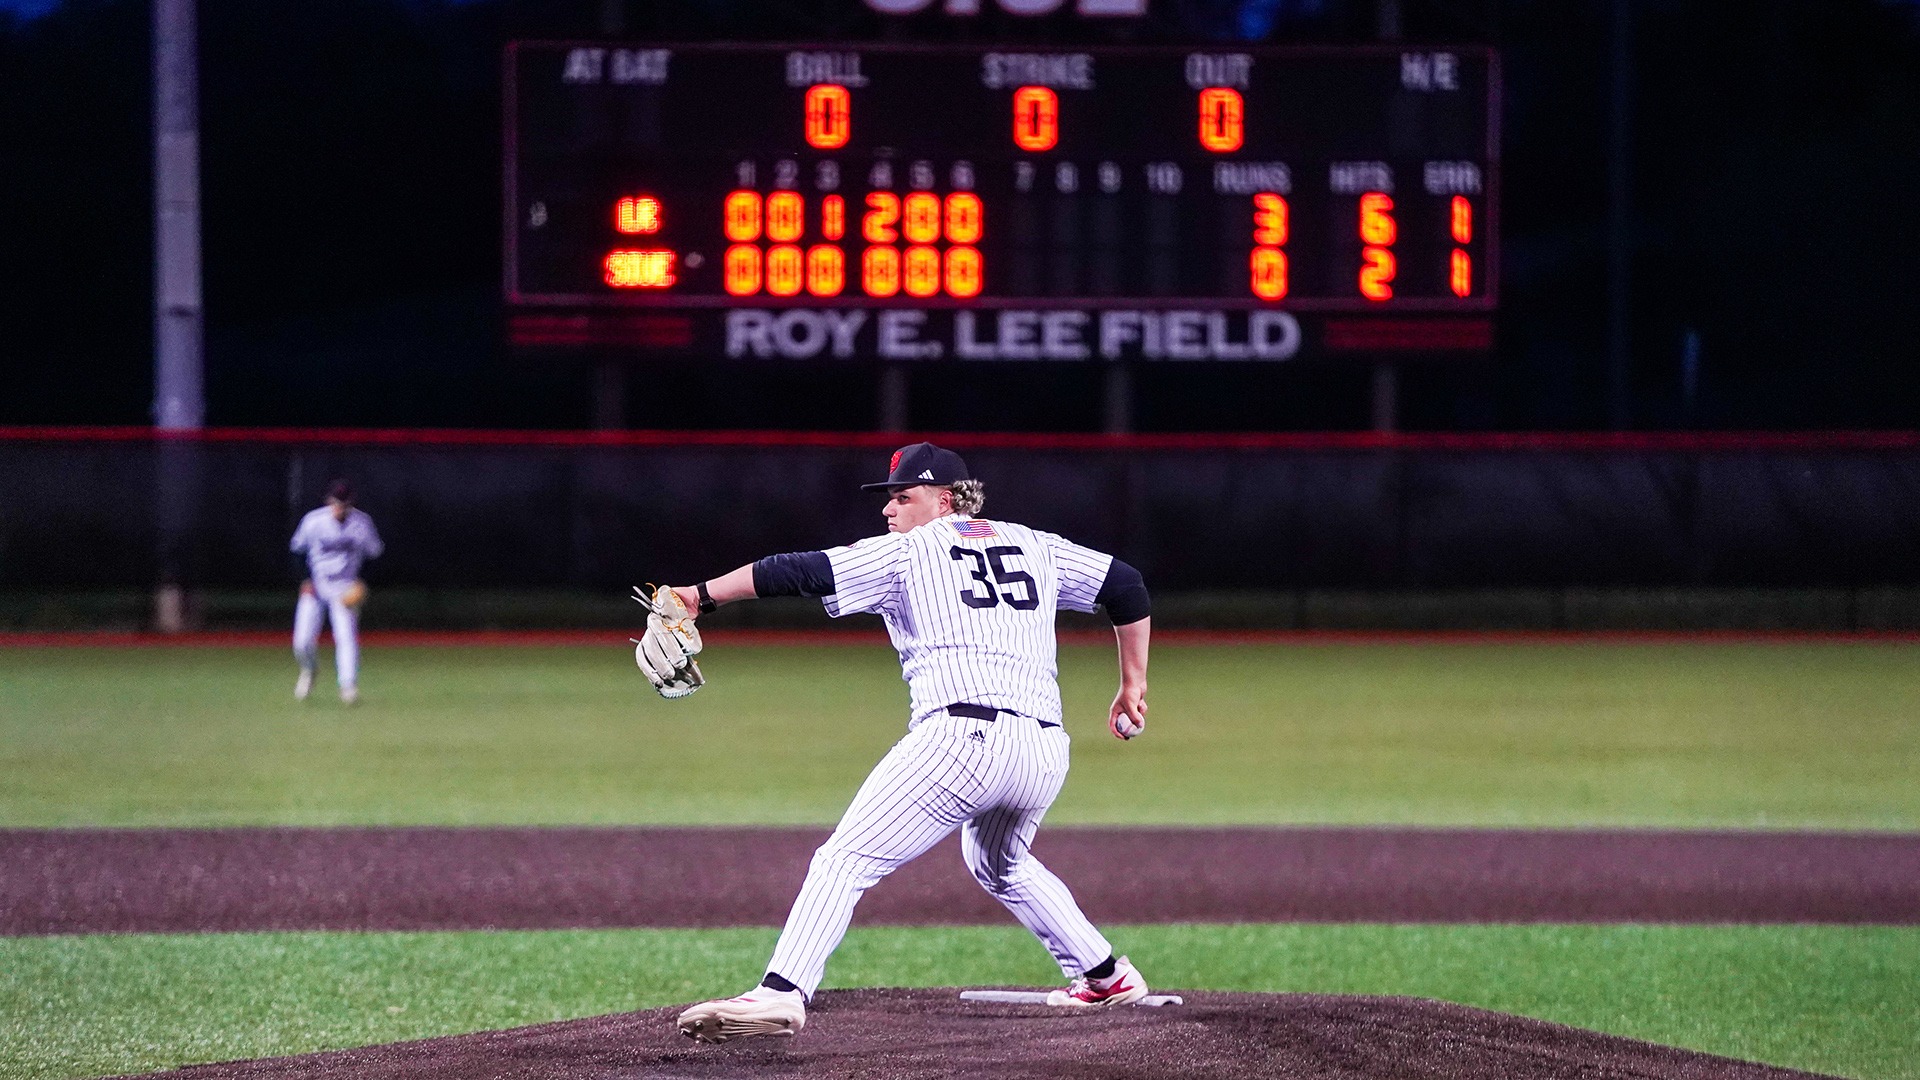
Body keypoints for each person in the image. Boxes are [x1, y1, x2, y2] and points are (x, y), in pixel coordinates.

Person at [669, 442, 1154, 1045]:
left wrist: (700, 595)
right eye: (888, 499)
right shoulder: (1037, 544)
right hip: (1043, 750)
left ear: (945, 499)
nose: (889, 510)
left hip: (961, 740)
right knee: (1001, 864)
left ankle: (781, 992)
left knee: (845, 860)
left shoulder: (909, 551)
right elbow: (1126, 585)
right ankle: (1106, 976)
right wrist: (1131, 684)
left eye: (903, 496)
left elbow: (800, 571)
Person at [290, 479, 383, 704]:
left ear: (351, 503)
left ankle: (348, 686)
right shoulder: (314, 521)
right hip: (317, 584)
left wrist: (362, 582)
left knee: (346, 637)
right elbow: (297, 550)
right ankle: (310, 670)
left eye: (345, 503)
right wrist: (304, 579)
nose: (340, 507)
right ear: (329, 502)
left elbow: (375, 553)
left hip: (345, 586)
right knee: (301, 642)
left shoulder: (362, 523)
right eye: (337, 503)